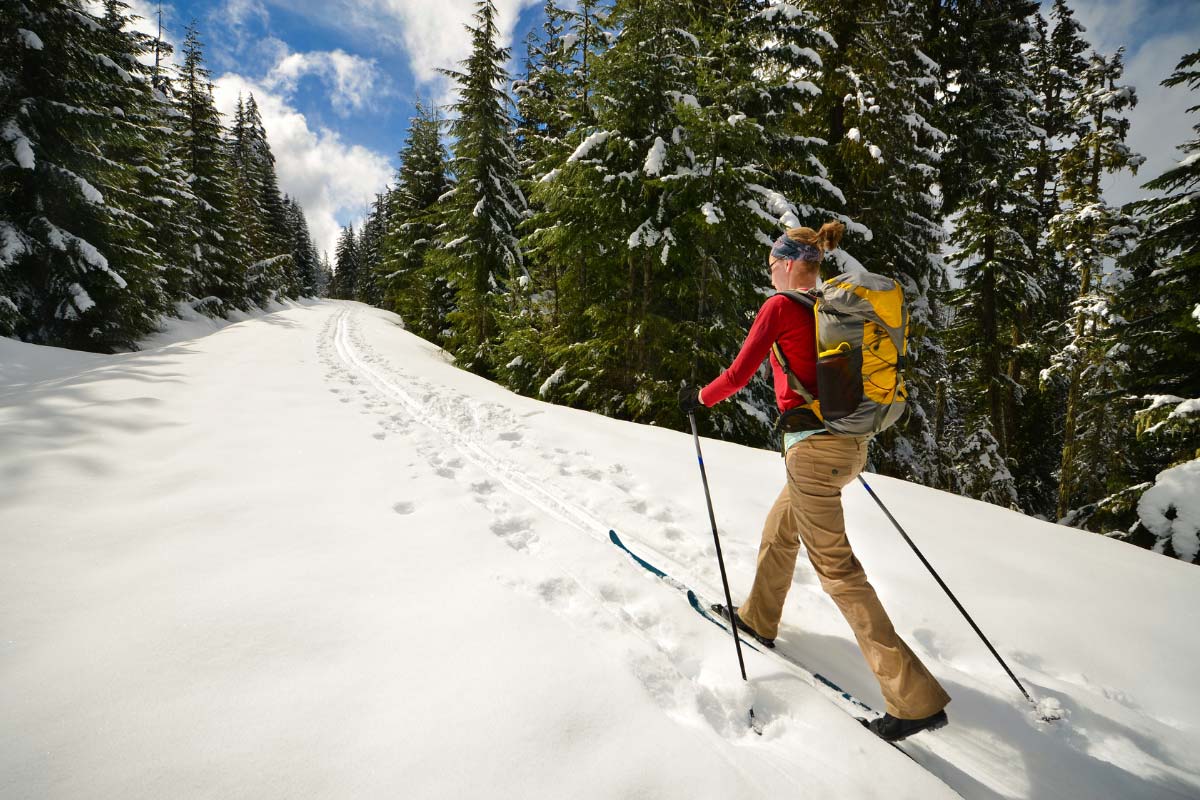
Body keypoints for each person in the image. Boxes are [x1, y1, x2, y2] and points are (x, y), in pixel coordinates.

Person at [678, 222, 951, 741]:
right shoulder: (831, 309)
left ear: (785, 262)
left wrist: (698, 399)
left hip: (814, 454)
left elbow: (737, 376)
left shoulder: (780, 308)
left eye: (771, 265)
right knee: (781, 529)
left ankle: (912, 700)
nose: (770, 273)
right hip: (849, 446)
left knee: (839, 571)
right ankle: (758, 617)